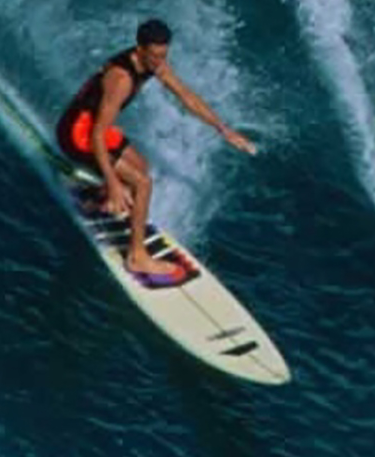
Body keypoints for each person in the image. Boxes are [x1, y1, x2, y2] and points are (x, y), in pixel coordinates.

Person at [56, 19, 255, 280]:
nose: (160, 62)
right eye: (155, 55)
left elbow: (186, 96)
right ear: (139, 49)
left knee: (142, 167)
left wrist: (222, 128)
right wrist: (114, 183)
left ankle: (99, 201)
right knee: (142, 183)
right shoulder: (121, 79)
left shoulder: (153, 63)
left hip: (92, 126)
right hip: (78, 134)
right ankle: (137, 257)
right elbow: (96, 135)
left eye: (164, 55)